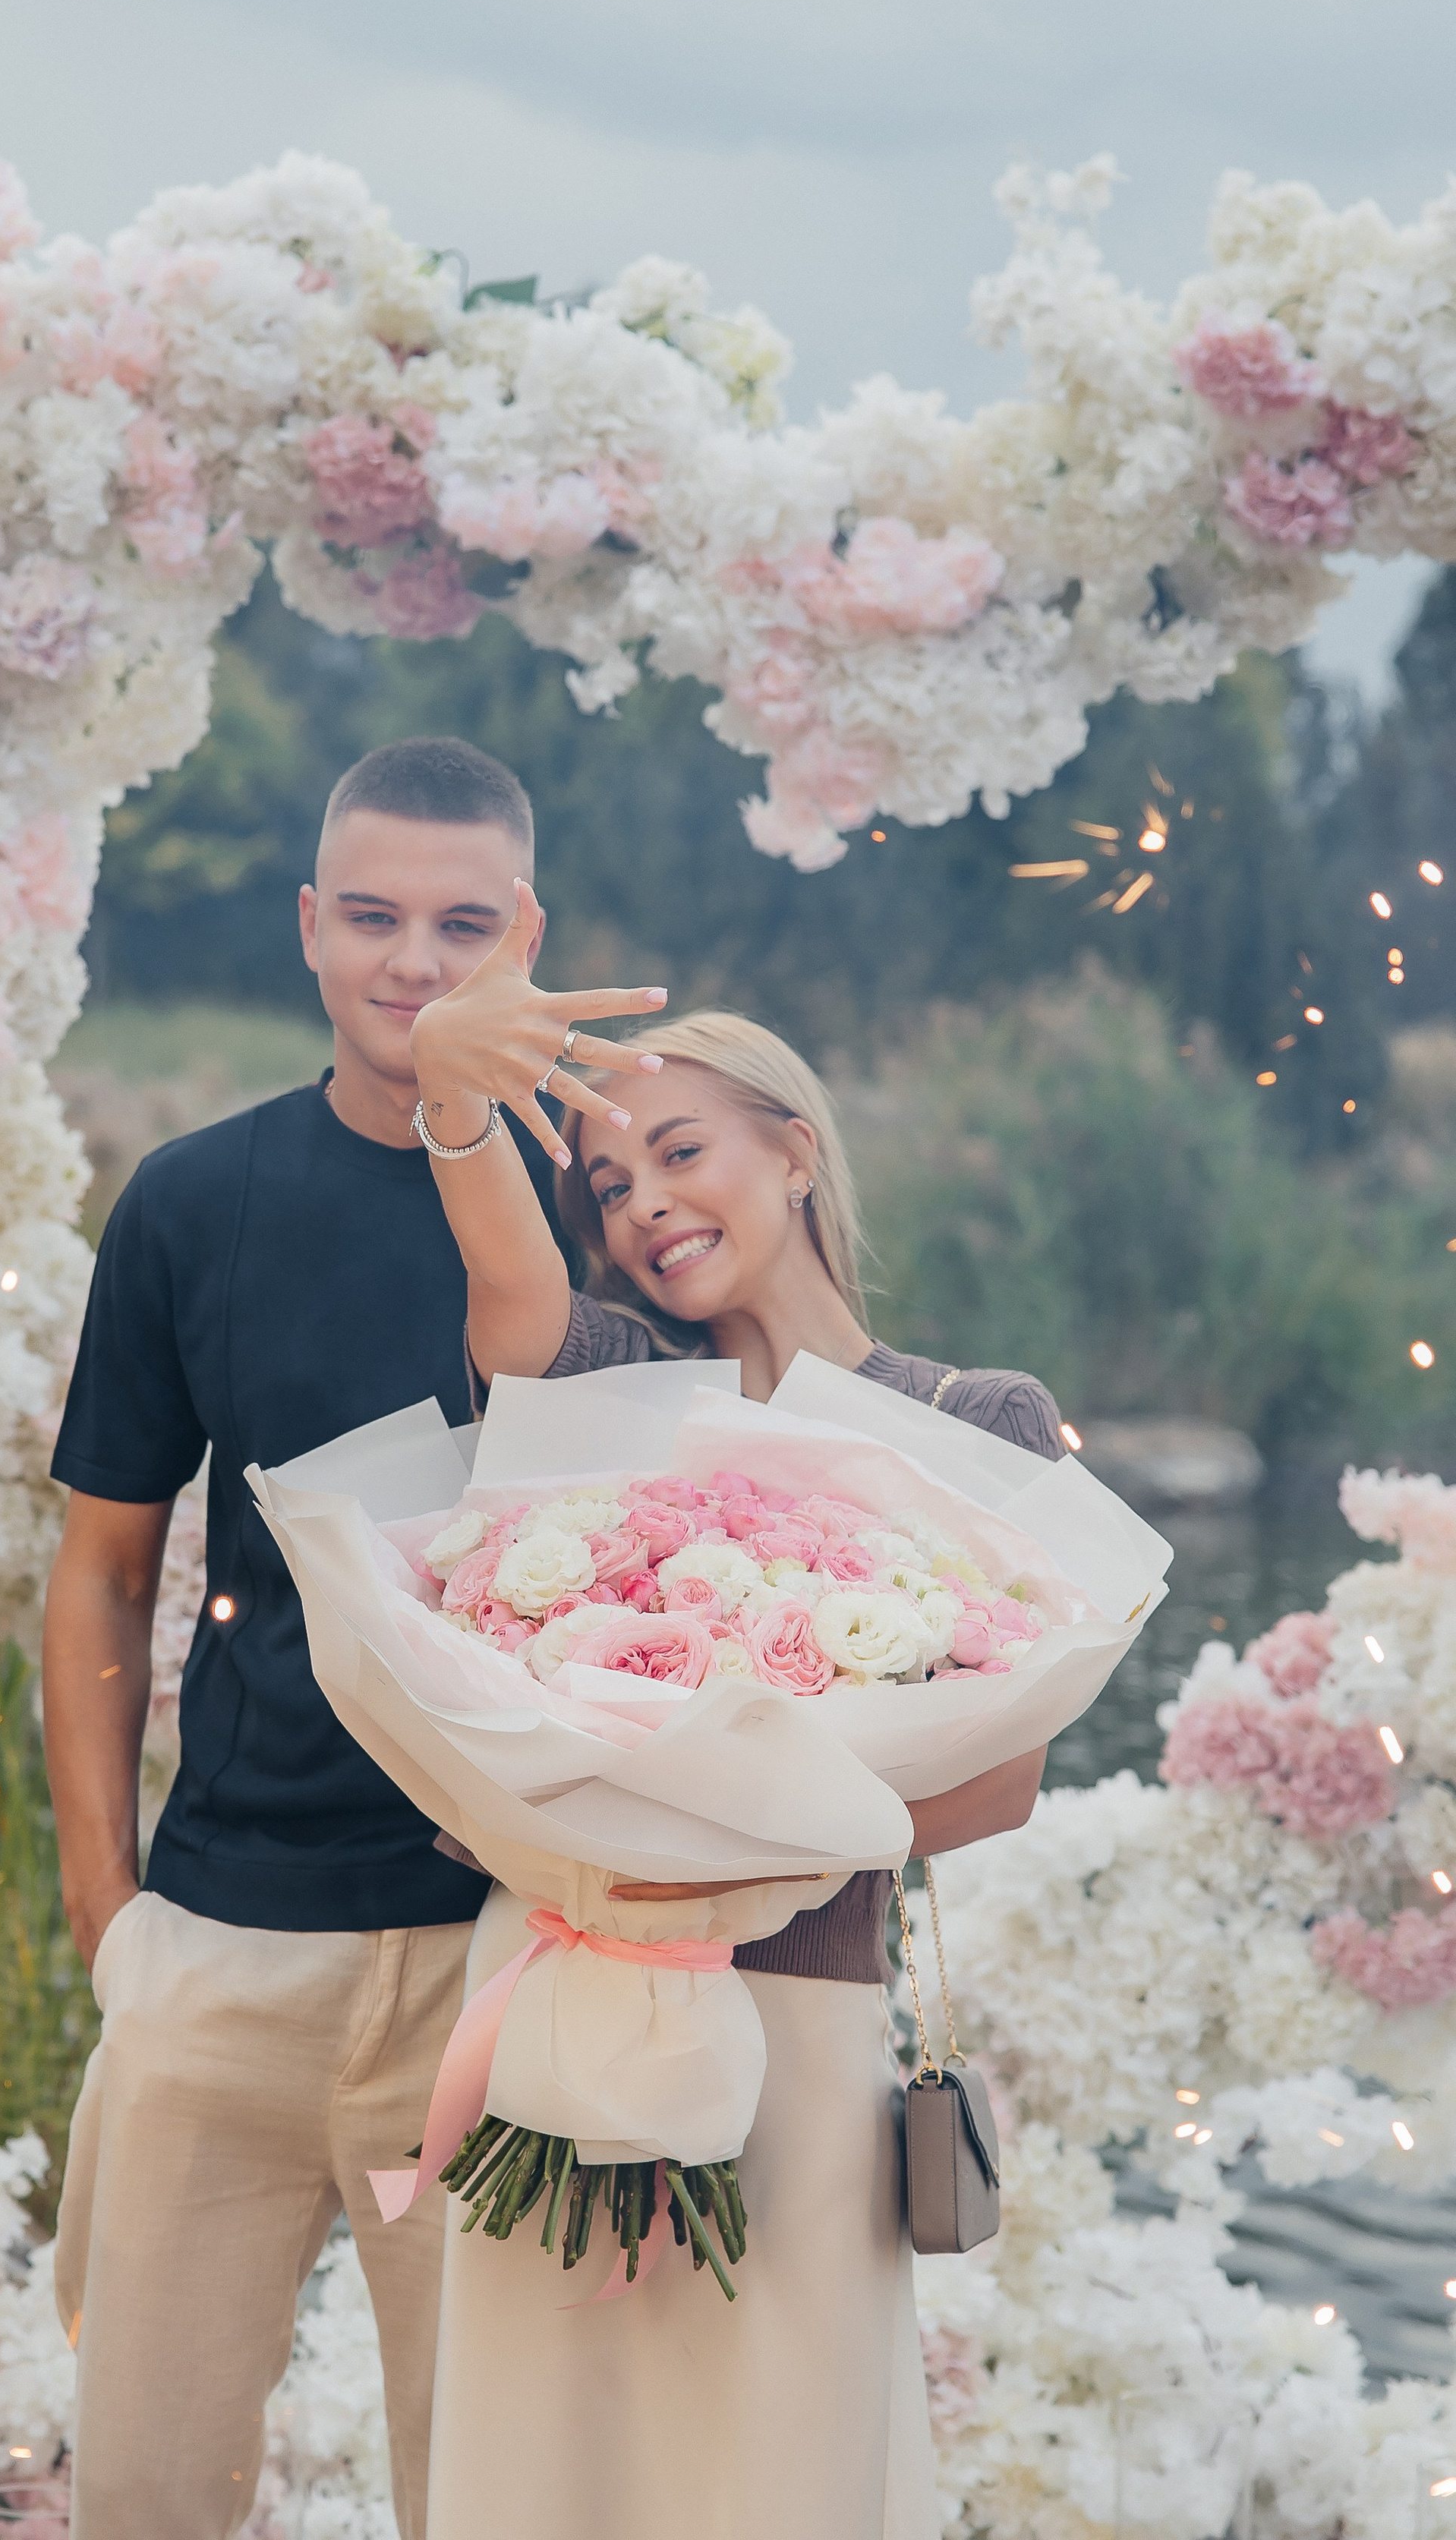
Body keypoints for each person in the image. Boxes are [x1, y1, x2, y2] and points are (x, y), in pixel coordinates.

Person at [43, 745, 667, 2540]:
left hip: (505, 1962)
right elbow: (99, 1572)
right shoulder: (189, 1201)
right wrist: (111, 1916)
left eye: (462, 925)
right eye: (374, 918)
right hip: (223, 1950)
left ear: (525, 940)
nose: (413, 964)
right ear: (310, 930)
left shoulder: (605, 1202)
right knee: (148, 2496)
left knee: (484, 2501)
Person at [404, 889, 1065, 2540]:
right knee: (547, 2466)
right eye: (609, 1187)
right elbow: (503, 1279)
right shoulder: (613, 1377)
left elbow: (997, 1786)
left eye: (679, 1153)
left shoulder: (977, 1419)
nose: (641, 1208)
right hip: (559, 2009)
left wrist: (693, 1836)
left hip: (807, 2032)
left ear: (791, 1150)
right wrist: (452, 1097)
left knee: (780, 2472)